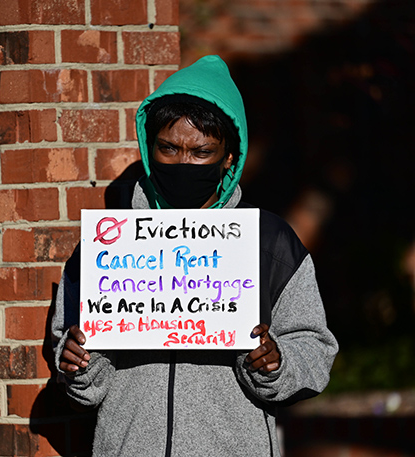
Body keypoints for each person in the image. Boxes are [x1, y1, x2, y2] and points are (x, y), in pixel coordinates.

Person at [51, 55, 338, 456]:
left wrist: (276, 362)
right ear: (149, 149)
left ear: (229, 158)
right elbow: (71, 350)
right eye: (168, 148)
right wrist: (78, 362)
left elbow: (314, 348)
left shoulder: (270, 243)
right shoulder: (108, 246)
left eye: (201, 152)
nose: (183, 162)